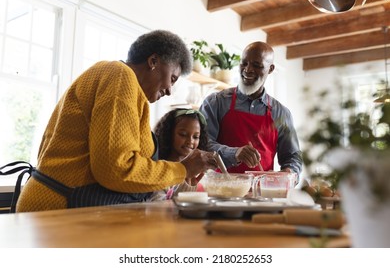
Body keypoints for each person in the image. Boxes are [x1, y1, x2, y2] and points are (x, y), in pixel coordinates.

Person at [15, 30, 218, 212]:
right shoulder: (120, 76)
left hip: (63, 207)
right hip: (56, 211)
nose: (169, 90)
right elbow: (116, 169)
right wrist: (181, 170)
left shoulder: (124, 87)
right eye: (172, 78)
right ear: (153, 61)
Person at [199, 41, 302, 178]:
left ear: (270, 69)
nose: (247, 70)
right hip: (221, 190)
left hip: (262, 193)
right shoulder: (215, 102)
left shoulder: (281, 114)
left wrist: (289, 173)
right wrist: (234, 153)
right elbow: (202, 144)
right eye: (244, 63)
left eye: (257, 65)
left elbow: (292, 156)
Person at [153, 108, 208, 199]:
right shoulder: (160, 170)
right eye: (183, 134)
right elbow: (158, 205)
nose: (190, 141)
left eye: (196, 137)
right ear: (169, 134)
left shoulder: (200, 173)